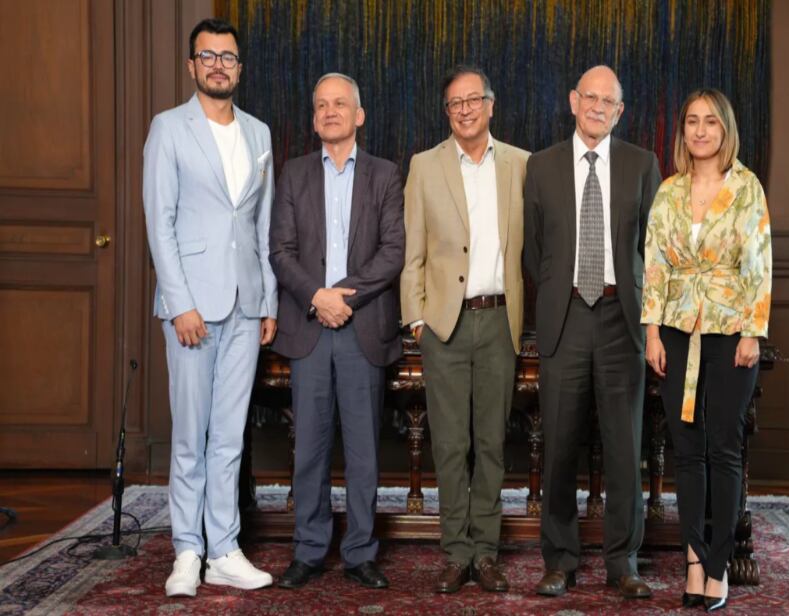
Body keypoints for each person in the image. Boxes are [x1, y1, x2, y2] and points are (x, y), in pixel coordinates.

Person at [143, 18, 277, 597]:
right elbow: (160, 223)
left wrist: (267, 297)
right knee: (190, 435)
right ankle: (186, 551)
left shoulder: (260, 133)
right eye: (208, 55)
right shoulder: (168, 129)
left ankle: (224, 548)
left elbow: (261, 225)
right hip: (192, 308)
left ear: (239, 69)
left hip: (247, 303)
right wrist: (180, 304)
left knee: (228, 436)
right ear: (192, 66)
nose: (219, 65)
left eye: (228, 56)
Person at [523, 65, 660, 599]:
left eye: (610, 101)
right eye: (590, 98)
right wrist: (563, 293)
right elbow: (536, 249)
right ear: (573, 100)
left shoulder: (642, 165)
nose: (598, 107)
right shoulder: (541, 166)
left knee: (625, 447)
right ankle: (559, 560)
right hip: (565, 317)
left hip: (619, 317)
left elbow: (652, 249)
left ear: (620, 111)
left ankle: (623, 562)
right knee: (558, 445)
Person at [269, 73, 405, 591]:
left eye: (340, 104)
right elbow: (279, 250)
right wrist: (316, 298)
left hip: (360, 325)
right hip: (308, 327)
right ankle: (308, 549)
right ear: (313, 117)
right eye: (321, 104)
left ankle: (360, 552)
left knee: (364, 449)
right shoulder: (295, 173)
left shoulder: (386, 175)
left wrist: (340, 296)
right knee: (309, 447)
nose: (330, 112)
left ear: (359, 115)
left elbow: (392, 252)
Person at [641, 88, 772, 612]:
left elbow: (759, 263)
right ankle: (693, 560)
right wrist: (652, 332)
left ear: (725, 130)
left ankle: (718, 568)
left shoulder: (746, 188)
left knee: (723, 449)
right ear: (683, 131)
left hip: (729, 331)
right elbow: (653, 264)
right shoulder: (669, 191)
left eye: (710, 122)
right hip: (676, 331)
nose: (700, 130)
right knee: (687, 451)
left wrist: (752, 331)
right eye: (692, 121)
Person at [400, 65, 529, 594]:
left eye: (473, 100)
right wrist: (418, 320)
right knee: (451, 444)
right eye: (454, 103)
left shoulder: (522, 165)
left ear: (491, 105)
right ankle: (456, 552)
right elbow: (413, 252)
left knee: (492, 443)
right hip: (445, 326)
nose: (465, 110)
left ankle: (487, 553)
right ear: (447, 111)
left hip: (500, 319)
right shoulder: (424, 166)